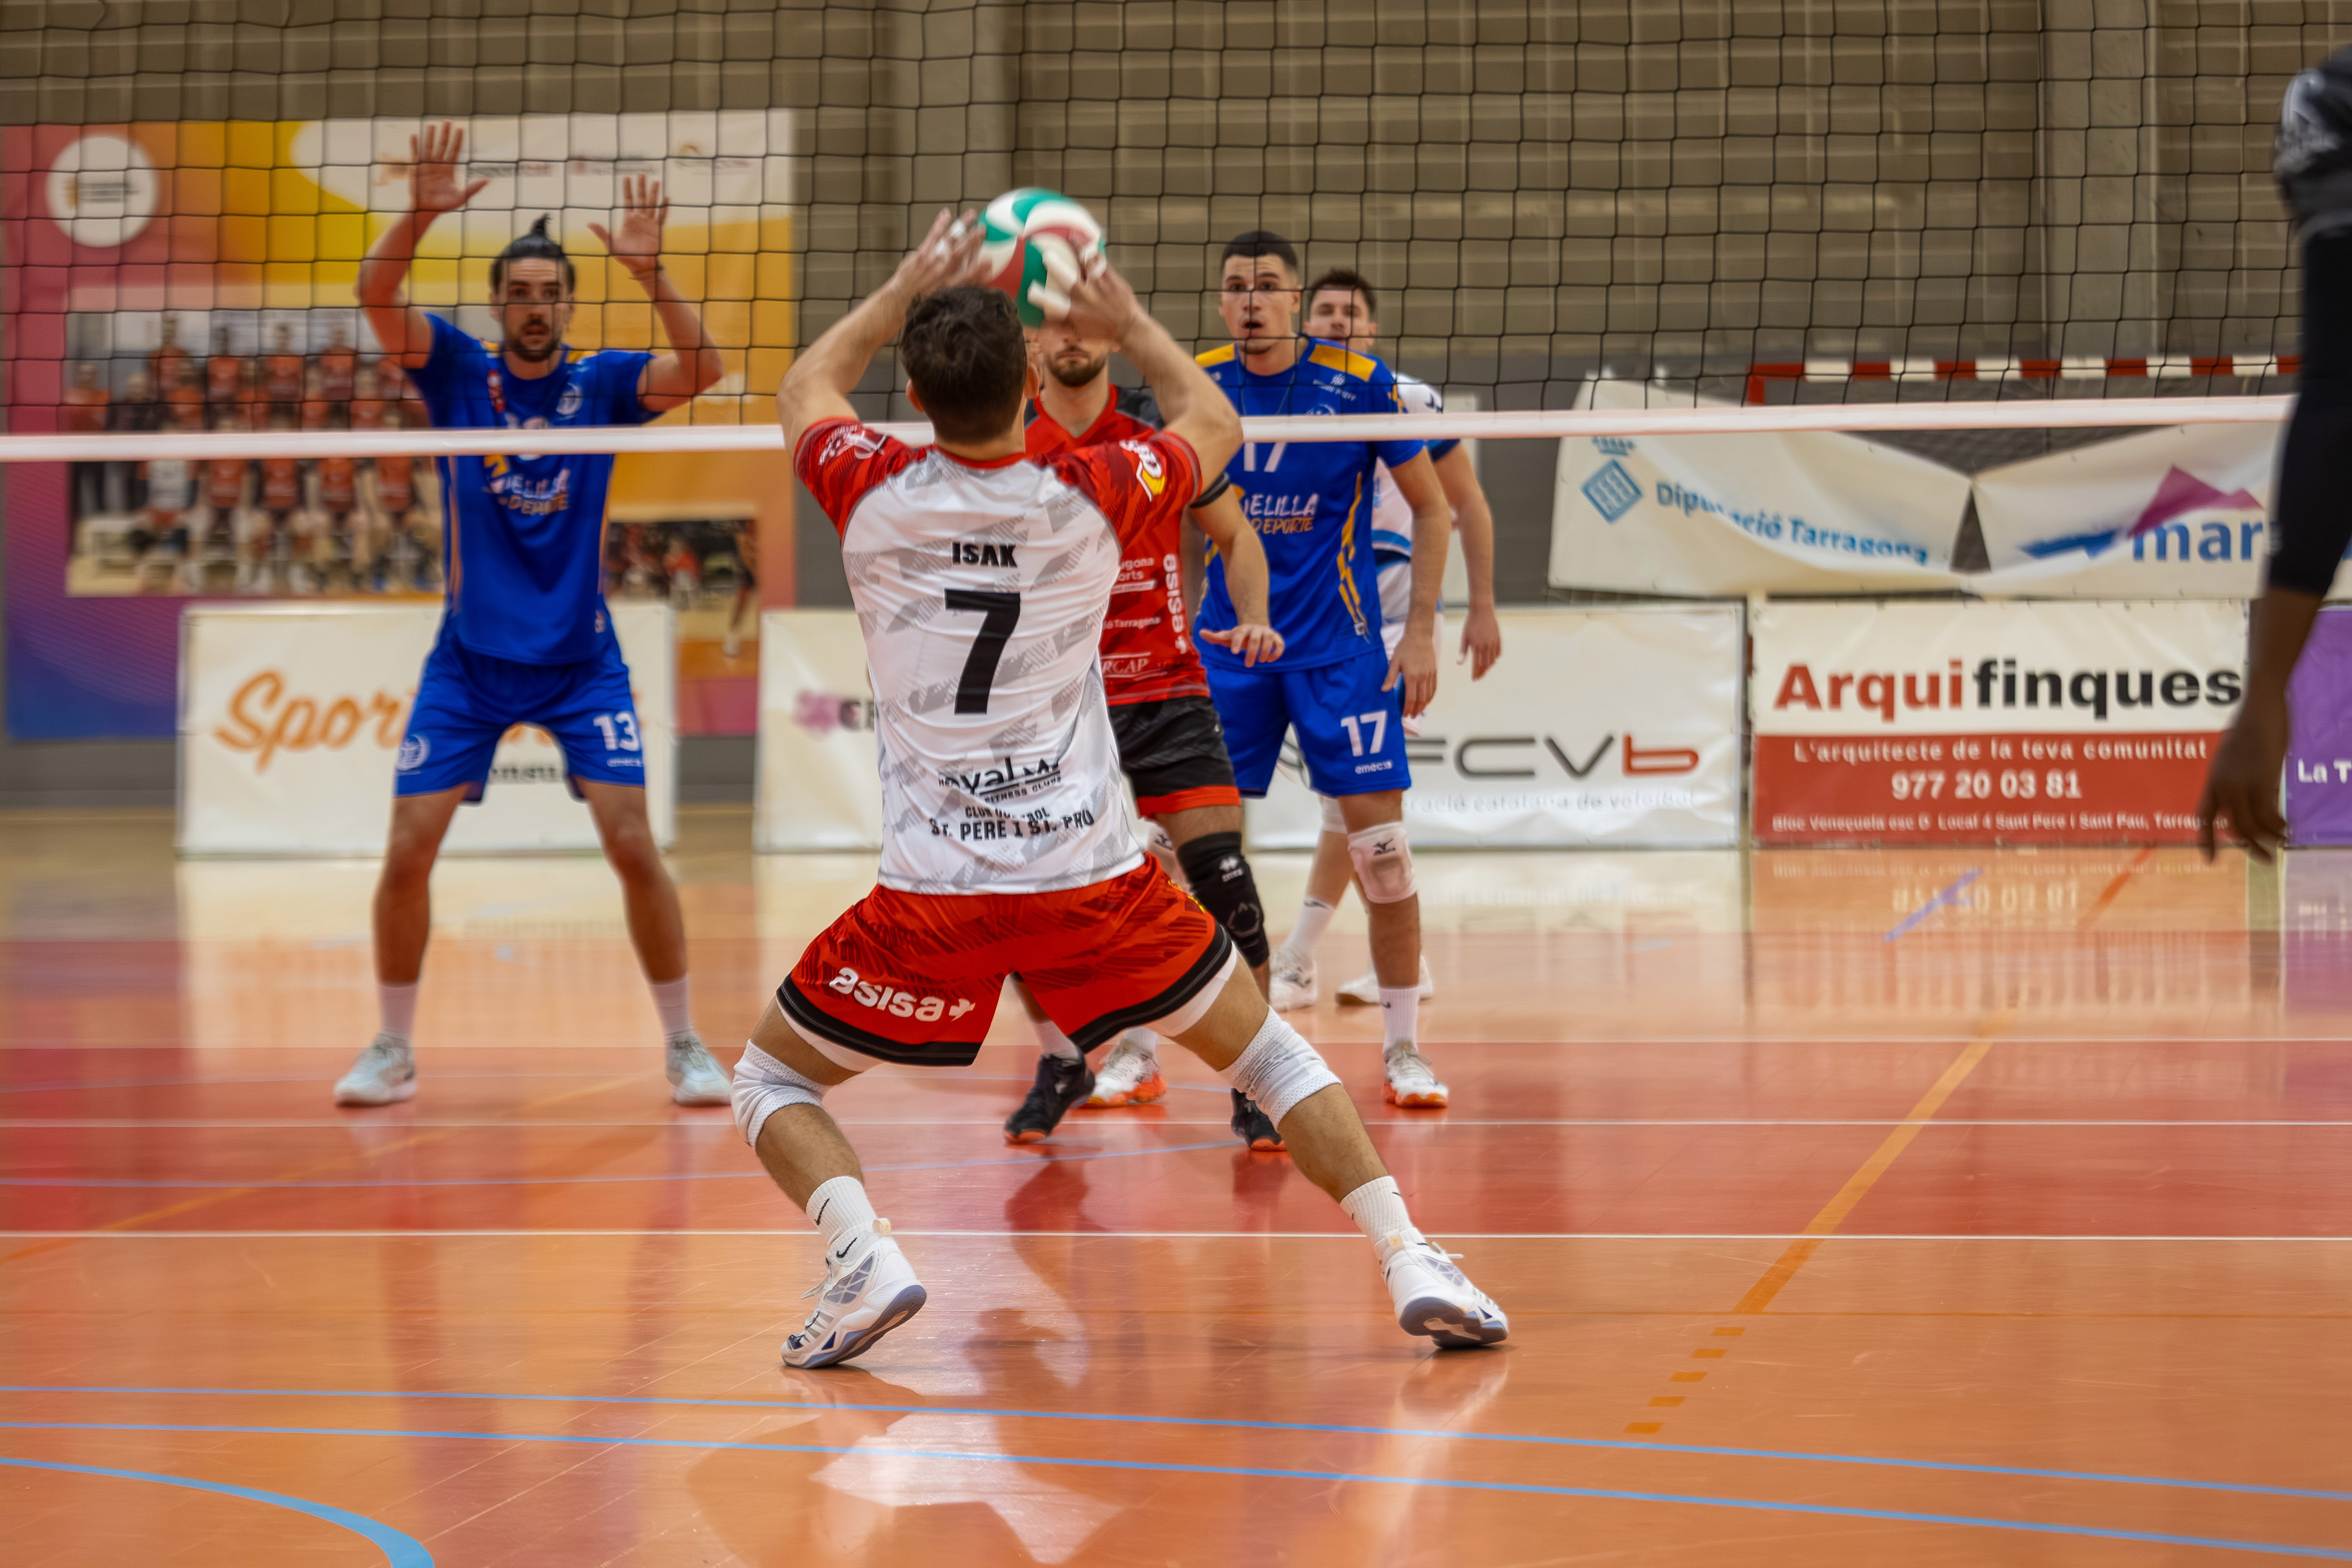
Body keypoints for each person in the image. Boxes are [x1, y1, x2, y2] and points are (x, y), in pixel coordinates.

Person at [741, 210, 1507, 1368]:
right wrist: (1133, 321)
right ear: (1028, 384)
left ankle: (864, 1256)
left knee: (768, 1078)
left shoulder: (870, 485)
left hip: (934, 896)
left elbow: (805, 385)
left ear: (913, 391)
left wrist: (901, 288)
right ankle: (1410, 1256)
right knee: (1271, 1058)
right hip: (1096, 881)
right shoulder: (1100, 487)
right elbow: (1216, 421)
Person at [332, 121, 729, 1108]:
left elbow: (704, 368)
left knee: (632, 843)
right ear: (498, 303)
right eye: (519, 292)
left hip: (579, 661)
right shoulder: (457, 370)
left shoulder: (601, 384)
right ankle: (393, 1047)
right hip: (469, 660)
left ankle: (685, 1045)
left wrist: (650, 272)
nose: (535, 306)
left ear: (569, 304)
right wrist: (418, 214)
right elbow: (375, 297)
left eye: (550, 293)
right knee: (407, 849)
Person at [997, 311, 1288, 1146]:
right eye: (1052, 323)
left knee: (1228, 886)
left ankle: (1260, 1078)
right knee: (1018, 900)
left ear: (1114, 338)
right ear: (1030, 344)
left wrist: (1256, 615)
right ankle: (1063, 1060)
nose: (1071, 336)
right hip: (1053, 705)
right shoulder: (1008, 447)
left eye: (1086, 322)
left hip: (1166, 689)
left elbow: (1238, 536)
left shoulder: (1156, 443)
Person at [1195, 231, 1460, 1110]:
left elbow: (1434, 510)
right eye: (1237, 287)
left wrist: (1418, 635)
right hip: (1228, 650)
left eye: (1268, 285)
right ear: (1222, 301)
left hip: (1341, 648)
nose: (1251, 301)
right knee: (1184, 856)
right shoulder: (1197, 384)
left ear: (1294, 299)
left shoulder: (1359, 383)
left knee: (1382, 855)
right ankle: (1141, 1050)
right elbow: (1168, 516)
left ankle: (1404, 1047)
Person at [1266, 268, 1507, 1012]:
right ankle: (1402, 961)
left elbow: (1467, 504)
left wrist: (1481, 606)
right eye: (1326, 311)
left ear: (1371, 328)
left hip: (1394, 628)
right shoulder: (1286, 399)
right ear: (1306, 323)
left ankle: (1299, 959)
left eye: (1352, 312)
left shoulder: (1411, 399)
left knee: (1351, 801)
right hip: (1317, 626)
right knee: (1350, 802)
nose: (1338, 320)